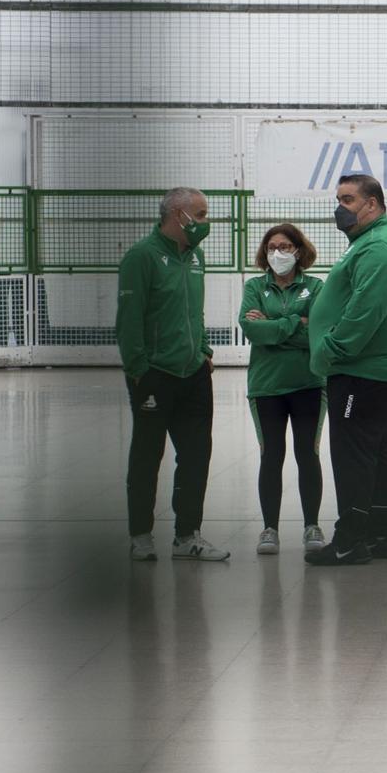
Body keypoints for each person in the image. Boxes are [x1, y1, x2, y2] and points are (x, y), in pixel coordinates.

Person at [306, 173, 387, 567]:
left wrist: (332, 349)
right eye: (339, 198)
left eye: (349, 199)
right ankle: (379, 535)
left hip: (361, 367)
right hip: (368, 368)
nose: (341, 207)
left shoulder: (379, 247)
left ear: (373, 204)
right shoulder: (368, 243)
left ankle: (351, 539)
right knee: (374, 447)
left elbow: (365, 311)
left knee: (352, 450)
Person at [116, 188, 227, 562]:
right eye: (201, 213)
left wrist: (205, 351)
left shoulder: (196, 259)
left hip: (194, 373)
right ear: (178, 215)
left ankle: (187, 535)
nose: (205, 222)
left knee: (196, 455)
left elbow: (195, 312)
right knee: (147, 455)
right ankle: (141, 534)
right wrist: (138, 369)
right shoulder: (141, 257)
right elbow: (129, 320)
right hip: (155, 375)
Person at [240, 223, 327, 555]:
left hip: (308, 383)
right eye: (272, 247)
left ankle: (311, 525)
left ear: (299, 250)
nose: (278, 253)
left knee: (308, 454)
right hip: (266, 387)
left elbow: (318, 333)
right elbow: (251, 330)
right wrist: (295, 323)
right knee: (270, 455)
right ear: (265, 252)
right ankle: (269, 529)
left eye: (286, 246)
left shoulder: (317, 287)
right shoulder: (255, 287)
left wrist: (273, 326)